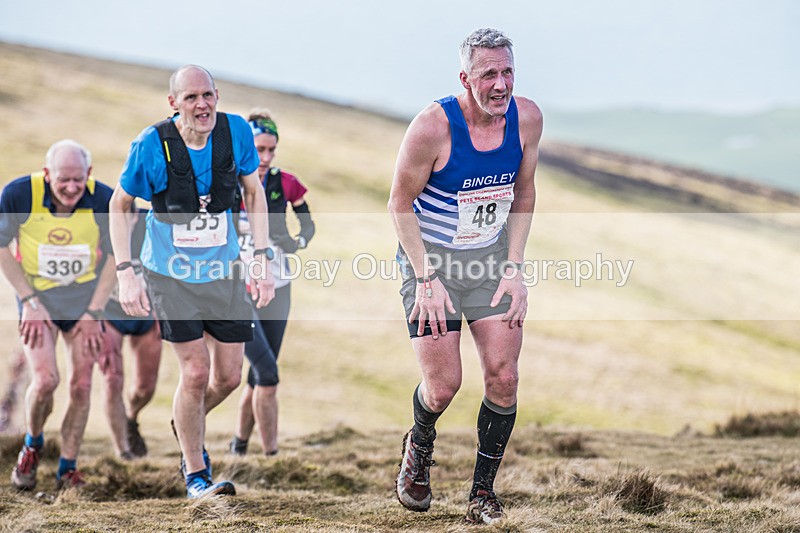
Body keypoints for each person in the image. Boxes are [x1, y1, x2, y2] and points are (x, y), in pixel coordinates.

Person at [388, 28, 543, 525]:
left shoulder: (527, 119)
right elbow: (399, 204)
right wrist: (425, 279)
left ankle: (482, 494)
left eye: (507, 72)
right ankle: (419, 443)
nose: (501, 85)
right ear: (465, 78)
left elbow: (523, 194)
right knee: (443, 386)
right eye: (488, 74)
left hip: (489, 260)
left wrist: (515, 269)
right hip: (430, 261)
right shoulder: (434, 127)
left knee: (505, 376)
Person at [110, 65, 275, 499]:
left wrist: (261, 258)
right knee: (197, 371)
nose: (201, 105)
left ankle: (186, 425)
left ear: (217, 96)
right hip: (169, 275)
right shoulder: (151, 144)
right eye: (190, 98)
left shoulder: (236, 132)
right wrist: (126, 273)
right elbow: (119, 204)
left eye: (208, 95)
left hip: (223, 272)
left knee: (230, 376)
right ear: (174, 103)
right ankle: (197, 474)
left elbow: (253, 193)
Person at [0, 139, 116, 490]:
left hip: (85, 302)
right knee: (47, 379)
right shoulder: (19, 194)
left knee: (82, 384)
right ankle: (33, 444)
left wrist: (95, 310)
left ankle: (67, 468)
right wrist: (29, 300)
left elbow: (114, 256)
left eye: (78, 180)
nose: (70, 188)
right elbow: (2, 246)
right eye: (62, 179)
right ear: (47, 173)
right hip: (39, 300)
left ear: (89, 174)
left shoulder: (104, 200)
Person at [228, 109, 315, 457]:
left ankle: (239, 446)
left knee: (260, 374)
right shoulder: (228, 183)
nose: (264, 158)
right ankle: (272, 455)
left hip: (279, 287)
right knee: (267, 372)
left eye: (271, 150)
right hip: (239, 291)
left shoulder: (286, 183)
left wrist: (297, 241)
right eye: (259, 149)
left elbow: (308, 226)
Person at [98, 205, 162, 459]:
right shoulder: (100, 222)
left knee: (146, 387)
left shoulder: (154, 220)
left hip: (147, 312)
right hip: (110, 312)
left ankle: (131, 418)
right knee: (112, 379)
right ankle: (122, 449)